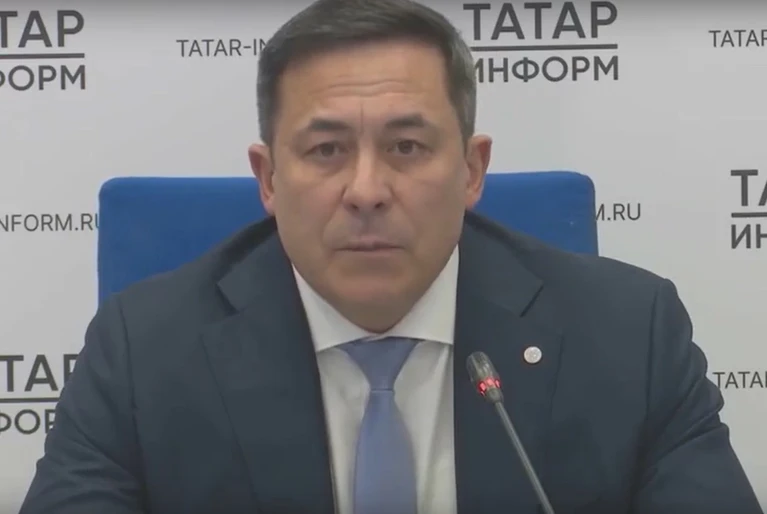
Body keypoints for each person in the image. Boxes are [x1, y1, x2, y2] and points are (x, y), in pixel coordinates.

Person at [19, 0, 762, 513]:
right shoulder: (142, 353)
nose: (367, 190)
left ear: (471, 169)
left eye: (406, 147)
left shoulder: (630, 335)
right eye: (326, 150)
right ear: (268, 179)